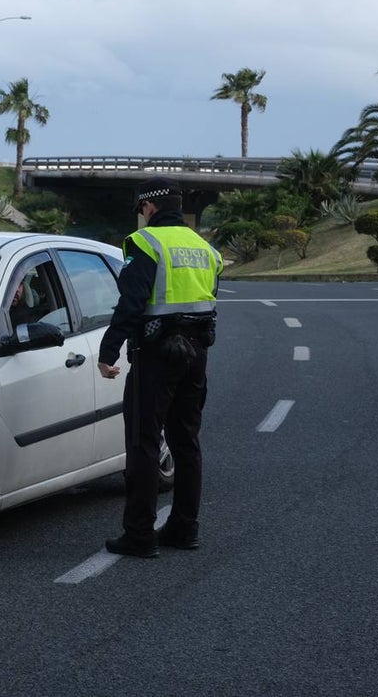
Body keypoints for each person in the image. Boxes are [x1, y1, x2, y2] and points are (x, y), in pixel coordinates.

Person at [96, 177, 221, 558]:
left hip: (157, 355)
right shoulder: (206, 249)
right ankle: (184, 528)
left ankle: (139, 534)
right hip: (196, 353)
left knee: (144, 442)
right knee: (186, 443)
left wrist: (108, 350)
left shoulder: (144, 243)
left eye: (141, 210)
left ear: (149, 207)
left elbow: (131, 303)